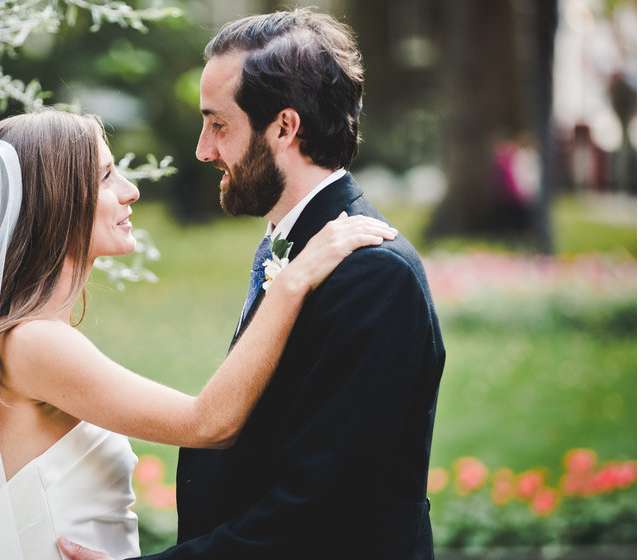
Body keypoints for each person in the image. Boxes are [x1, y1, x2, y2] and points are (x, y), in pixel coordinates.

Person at [0, 108, 396, 559]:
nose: (131, 191)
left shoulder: (31, 336)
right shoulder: (34, 343)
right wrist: (293, 279)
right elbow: (207, 423)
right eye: (107, 176)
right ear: (57, 201)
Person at [60, 8, 445, 560]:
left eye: (219, 125)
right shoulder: (294, 246)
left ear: (285, 128)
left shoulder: (373, 276)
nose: (202, 150)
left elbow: (324, 508)